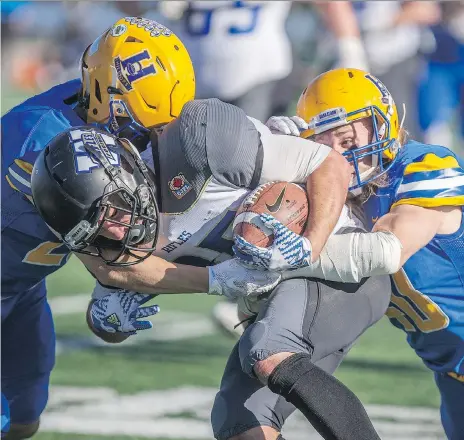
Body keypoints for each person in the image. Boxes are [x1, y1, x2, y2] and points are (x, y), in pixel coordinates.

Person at [1, 15, 353, 437]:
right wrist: (220, 278)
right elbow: (114, 265)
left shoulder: (113, 119)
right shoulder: (43, 144)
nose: (151, 139)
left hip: (22, 284)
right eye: (140, 128)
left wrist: (262, 143)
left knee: (23, 417)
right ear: (102, 96)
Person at [32, 115, 390, 440]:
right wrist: (106, 319)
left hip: (338, 265)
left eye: (111, 209)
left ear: (125, 173)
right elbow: (112, 303)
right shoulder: (116, 240)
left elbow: (332, 166)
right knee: (240, 426)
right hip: (282, 296)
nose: (112, 230)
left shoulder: (198, 144)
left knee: (267, 350)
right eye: (94, 228)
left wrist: (308, 247)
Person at [235, 67, 464, 440]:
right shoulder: (336, 202)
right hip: (451, 369)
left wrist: (296, 250)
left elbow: (387, 249)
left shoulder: (423, 165)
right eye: (326, 146)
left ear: (383, 122)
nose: (340, 154)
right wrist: (279, 169)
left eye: (346, 137)